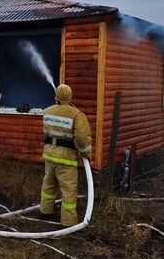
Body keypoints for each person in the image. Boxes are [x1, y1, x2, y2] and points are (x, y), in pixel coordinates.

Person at [39, 84, 92, 227]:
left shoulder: (47, 111)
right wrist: (86, 153)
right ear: (70, 97)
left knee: (48, 185)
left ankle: (45, 211)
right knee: (68, 190)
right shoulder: (76, 114)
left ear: (56, 96)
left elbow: (46, 132)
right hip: (66, 159)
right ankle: (68, 222)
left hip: (49, 155)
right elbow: (82, 138)